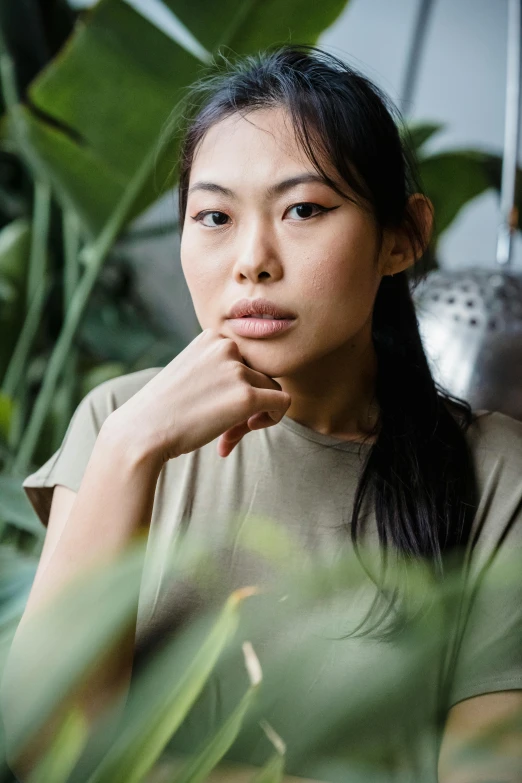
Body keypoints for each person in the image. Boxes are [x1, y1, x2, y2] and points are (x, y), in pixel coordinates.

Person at [5, 44, 522, 782]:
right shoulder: (119, 421)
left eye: (304, 209)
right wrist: (128, 449)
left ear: (402, 237)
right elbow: (37, 747)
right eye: (213, 214)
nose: (252, 259)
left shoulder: (496, 473)